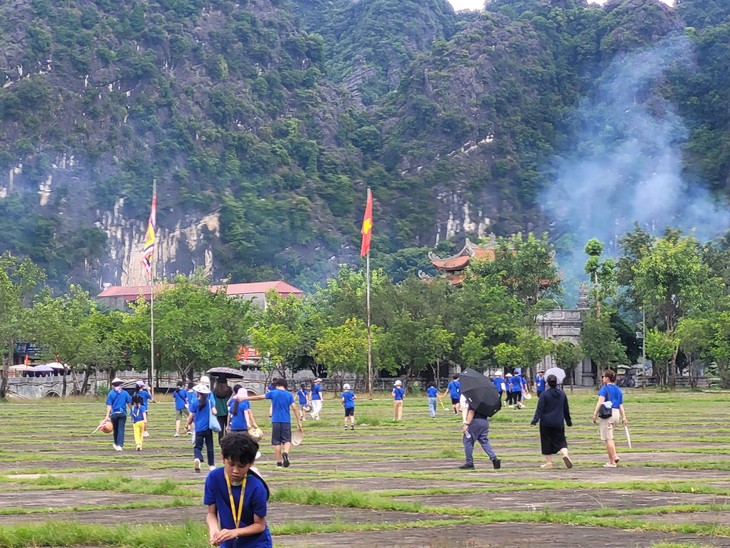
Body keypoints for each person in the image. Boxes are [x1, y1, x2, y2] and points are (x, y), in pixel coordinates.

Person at [204, 432, 272, 547]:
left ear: (250, 464)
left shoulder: (257, 487)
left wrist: (235, 532)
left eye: (241, 466)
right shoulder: (214, 478)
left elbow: (260, 525)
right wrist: (214, 529)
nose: (235, 470)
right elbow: (211, 513)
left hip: (256, 544)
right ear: (223, 458)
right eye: (231, 464)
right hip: (228, 542)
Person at [237, 378, 303, 468]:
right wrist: (299, 421)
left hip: (275, 420)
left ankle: (279, 463)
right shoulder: (289, 395)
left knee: (277, 442)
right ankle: (286, 453)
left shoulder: (273, 393)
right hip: (286, 421)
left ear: (277, 385)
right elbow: (295, 408)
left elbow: (259, 397)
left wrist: (245, 398)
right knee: (287, 440)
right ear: (285, 385)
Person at [530, 374, 573, 469]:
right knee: (561, 440)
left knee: (546, 441)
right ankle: (565, 454)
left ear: (548, 383)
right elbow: (566, 409)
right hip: (559, 421)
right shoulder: (562, 394)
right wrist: (568, 421)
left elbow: (539, 409)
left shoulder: (544, 394)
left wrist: (534, 420)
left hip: (546, 422)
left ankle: (549, 463)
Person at [592, 369, 628, 468]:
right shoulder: (617, 389)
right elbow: (621, 405)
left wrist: (595, 414)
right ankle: (613, 457)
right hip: (616, 413)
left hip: (607, 414)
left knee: (608, 438)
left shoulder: (605, 388)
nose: (602, 378)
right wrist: (623, 417)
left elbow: (600, 401)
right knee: (610, 436)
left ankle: (613, 460)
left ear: (607, 378)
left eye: (603, 376)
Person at [459, 399, 501, 471]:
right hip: (485, 421)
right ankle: (494, 458)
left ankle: (469, 463)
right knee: (484, 441)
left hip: (475, 421)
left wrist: (466, 424)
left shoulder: (474, 400)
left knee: (468, 441)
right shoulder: (486, 401)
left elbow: (471, 412)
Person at [187, 384, 217, 473]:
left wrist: (187, 424)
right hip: (208, 428)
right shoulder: (209, 402)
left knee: (197, 447)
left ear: (198, 393)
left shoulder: (195, 403)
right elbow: (215, 411)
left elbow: (191, 415)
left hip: (199, 428)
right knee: (210, 446)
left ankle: (198, 458)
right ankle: (211, 465)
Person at [104, 377, 132, 452]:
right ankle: (120, 445)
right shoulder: (125, 393)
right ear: (120, 384)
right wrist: (132, 411)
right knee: (121, 429)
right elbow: (129, 403)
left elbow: (109, 405)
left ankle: (116, 443)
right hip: (122, 413)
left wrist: (107, 416)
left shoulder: (111, 394)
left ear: (113, 385)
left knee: (115, 429)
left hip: (114, 414)